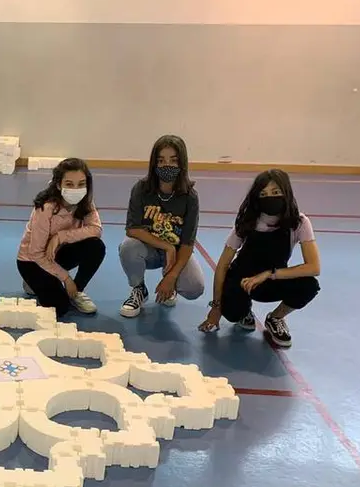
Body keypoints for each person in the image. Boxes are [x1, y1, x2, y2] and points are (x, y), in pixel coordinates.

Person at [198, 169, 320, 347]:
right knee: (232, 313)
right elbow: (223, 264)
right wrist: (216, 307)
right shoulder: (248, 221)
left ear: (286, 193)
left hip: (271, 279)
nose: (270, 198)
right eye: (264, 194)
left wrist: (270, 274)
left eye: (276, 192)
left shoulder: (299, 223)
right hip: (242, 280)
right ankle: (244, 311)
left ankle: (276, 318)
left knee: (309, 286)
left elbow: (314, 267)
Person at [119, 134, 205, 317]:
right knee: (128, 248)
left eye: (173, 160)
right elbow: (132, 229)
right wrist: (167, 247)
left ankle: (170, 286)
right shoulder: (141, 189)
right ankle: (139, 289)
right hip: (148, 249)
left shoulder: (190, 197)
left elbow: (187, 243)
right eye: (161, 160)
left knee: (194, 287)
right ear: (154, 163)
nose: (167, 165)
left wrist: (171, 276)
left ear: (181, 163)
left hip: (176, 253)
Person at [16, 158, 105, 317]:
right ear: (58, 185)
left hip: (58, 253)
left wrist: (60, 236)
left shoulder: (85, 202)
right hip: (32, 261)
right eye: (69, 184)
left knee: (96, 246)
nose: (76, 189)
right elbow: (36, 253)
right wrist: (66, 278)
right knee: (59, 309)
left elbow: (96, 229)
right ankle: (33, 282)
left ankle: (76, 292)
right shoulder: (46, 207)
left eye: (81, 184)